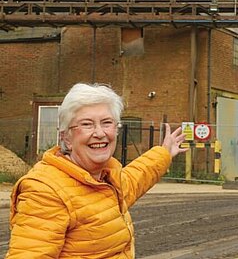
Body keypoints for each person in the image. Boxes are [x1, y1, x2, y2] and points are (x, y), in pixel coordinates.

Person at [7, 83, 188, 258]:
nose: (100, 132)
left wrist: (164, 153)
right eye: (87, 124)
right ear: (66, 137)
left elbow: (136, 177)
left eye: (107, 122)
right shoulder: (45, 191)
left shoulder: (106, 178)